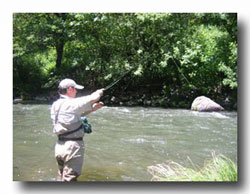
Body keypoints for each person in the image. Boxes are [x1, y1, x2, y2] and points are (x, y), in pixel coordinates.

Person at [50, 78, 104, 182]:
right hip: (72, 148)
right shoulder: (72, 103)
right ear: (69, 89)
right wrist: (99, 92)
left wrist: (93, 109)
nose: (76, 91)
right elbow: (93, 97)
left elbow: (73, 115)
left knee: (61, 175)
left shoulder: (56, 105)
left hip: (60, 146)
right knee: (70, 178)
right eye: (75, 89)